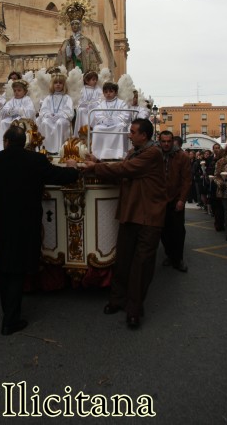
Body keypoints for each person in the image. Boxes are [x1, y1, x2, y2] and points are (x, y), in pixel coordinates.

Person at [0, 125, 79, 335]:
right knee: (17, 269)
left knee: (5, 267)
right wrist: (72, 167)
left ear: (5, 141)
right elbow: (61, 176)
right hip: (26, 222)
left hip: (3, 223)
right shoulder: (36, 160)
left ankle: (8, 313)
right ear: (25, 142)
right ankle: (10, 320)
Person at [79, 118, 167, 328]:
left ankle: (134, 309)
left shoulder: (152, 153)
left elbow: (125, 170)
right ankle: (117, 300)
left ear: (144, 135)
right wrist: (99, 163)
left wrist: (94, 168)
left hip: (148, 218)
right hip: (131, 214)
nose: (129, 134)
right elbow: (124, 171)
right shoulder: (135, 152)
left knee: (141, 265)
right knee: (123, 261)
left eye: (133, 131)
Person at [158, 131, 192, 272]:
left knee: (178, 230)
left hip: (176, 199)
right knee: (163, 230)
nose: (166, 144)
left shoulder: (182, 156)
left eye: (169, 141)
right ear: (159, 141)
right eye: (163, 141)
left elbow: (186, 180)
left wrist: (182, 200)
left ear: (173, 141)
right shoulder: (155, 155)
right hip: (160, 200)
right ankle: (169, 254)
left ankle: (177, 259)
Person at [91, 82, 130, 160]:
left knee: (121, 127)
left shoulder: (121, 103)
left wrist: (115, 120)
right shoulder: (101, 104)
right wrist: (105, 121)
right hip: (105, 125)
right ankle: (98, 153)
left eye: (111, 91)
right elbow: (98, 115)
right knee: (97, 129)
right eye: (106, 92)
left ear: (116, 92)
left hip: (117, 124)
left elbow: (125, 115)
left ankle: (118, 154)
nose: (108, 94)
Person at [37, 73, 74, 155]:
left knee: (59, 123)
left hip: (62, 119)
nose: (58, 85)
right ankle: (47, 149)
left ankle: (59, 149)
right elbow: (43, 110)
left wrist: (60, 115)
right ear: (52, 84)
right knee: (45, 122)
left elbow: (69, 112)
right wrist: (48, 115)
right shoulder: (48, 98)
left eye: (60, 83)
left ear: (63, 85)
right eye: (55, 83)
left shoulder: (67, 98)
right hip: (50, 118)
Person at [0, 79, 36, 152]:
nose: (16, 92)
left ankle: (21, 146)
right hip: (11, 119)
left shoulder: (27, 99)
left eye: (19, 90)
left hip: (23, 120)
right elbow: (4, 110)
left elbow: (30, 111)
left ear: (25, 91)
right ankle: (1, 147)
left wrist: (20, 111)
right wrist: (10, 111)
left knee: (19, 124)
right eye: (15, 90)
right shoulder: (11, 100)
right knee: (3, 122)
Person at [73, 70, 103, 137]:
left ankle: (93, 135)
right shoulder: (82, 89)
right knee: (80, 111)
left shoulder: (98, 89)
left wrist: (94, 104)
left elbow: (101, 99)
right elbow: (79, 99)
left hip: (94, 108)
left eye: (96, 80)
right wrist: (83, 104)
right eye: (93, 80)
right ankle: (81, 134)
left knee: (95, 112)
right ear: (87, 80)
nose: (95, 81)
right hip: (84, 109)